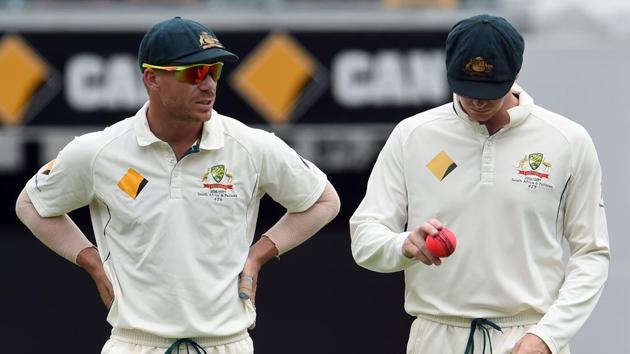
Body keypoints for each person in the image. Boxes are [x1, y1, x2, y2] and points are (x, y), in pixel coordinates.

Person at [15, 16, 340, 354]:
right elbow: (30, 204)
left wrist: (258, 256)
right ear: (151, 79)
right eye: (193, 73)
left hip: (227, 344)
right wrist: (91, 262)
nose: (208, 84)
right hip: (135, 344)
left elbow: (323, 201)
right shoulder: (99, 151)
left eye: (214, 70)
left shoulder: (250, 146)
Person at [349, 14, 609, 354]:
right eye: (467, 88)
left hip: (526, 336)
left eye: (491, 90)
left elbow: (592, 253)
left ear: (517, 73)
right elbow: (365, 237)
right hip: (436, 337)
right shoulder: (412, 135)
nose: (478, 102)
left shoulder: (567, 140)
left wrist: (547, 337)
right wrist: (405, 245)